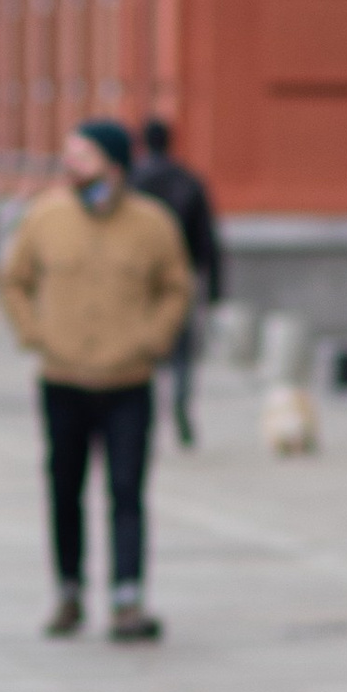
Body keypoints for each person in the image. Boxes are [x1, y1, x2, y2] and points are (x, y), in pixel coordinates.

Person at [0, 117, 193, 642]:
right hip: (62, 376)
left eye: (82, 156)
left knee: (126, 489)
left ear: (114, 164)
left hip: (128, 377)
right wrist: (34, 333)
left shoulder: (152, 223)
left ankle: (127, 596)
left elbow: (176, 287)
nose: (72, 167)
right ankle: (68, 590)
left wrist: (155, 339)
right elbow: (13, 281)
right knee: (66, 487)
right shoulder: (46, 217)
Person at [134, 115, 222, 446]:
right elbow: (207, 240)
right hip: (181, 277)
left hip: (140, 279)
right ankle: (181, 404)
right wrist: (214, 288)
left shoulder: (132, 181)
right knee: (184, 351)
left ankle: (148, 414)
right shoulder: (189, 181)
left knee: (145, 350)